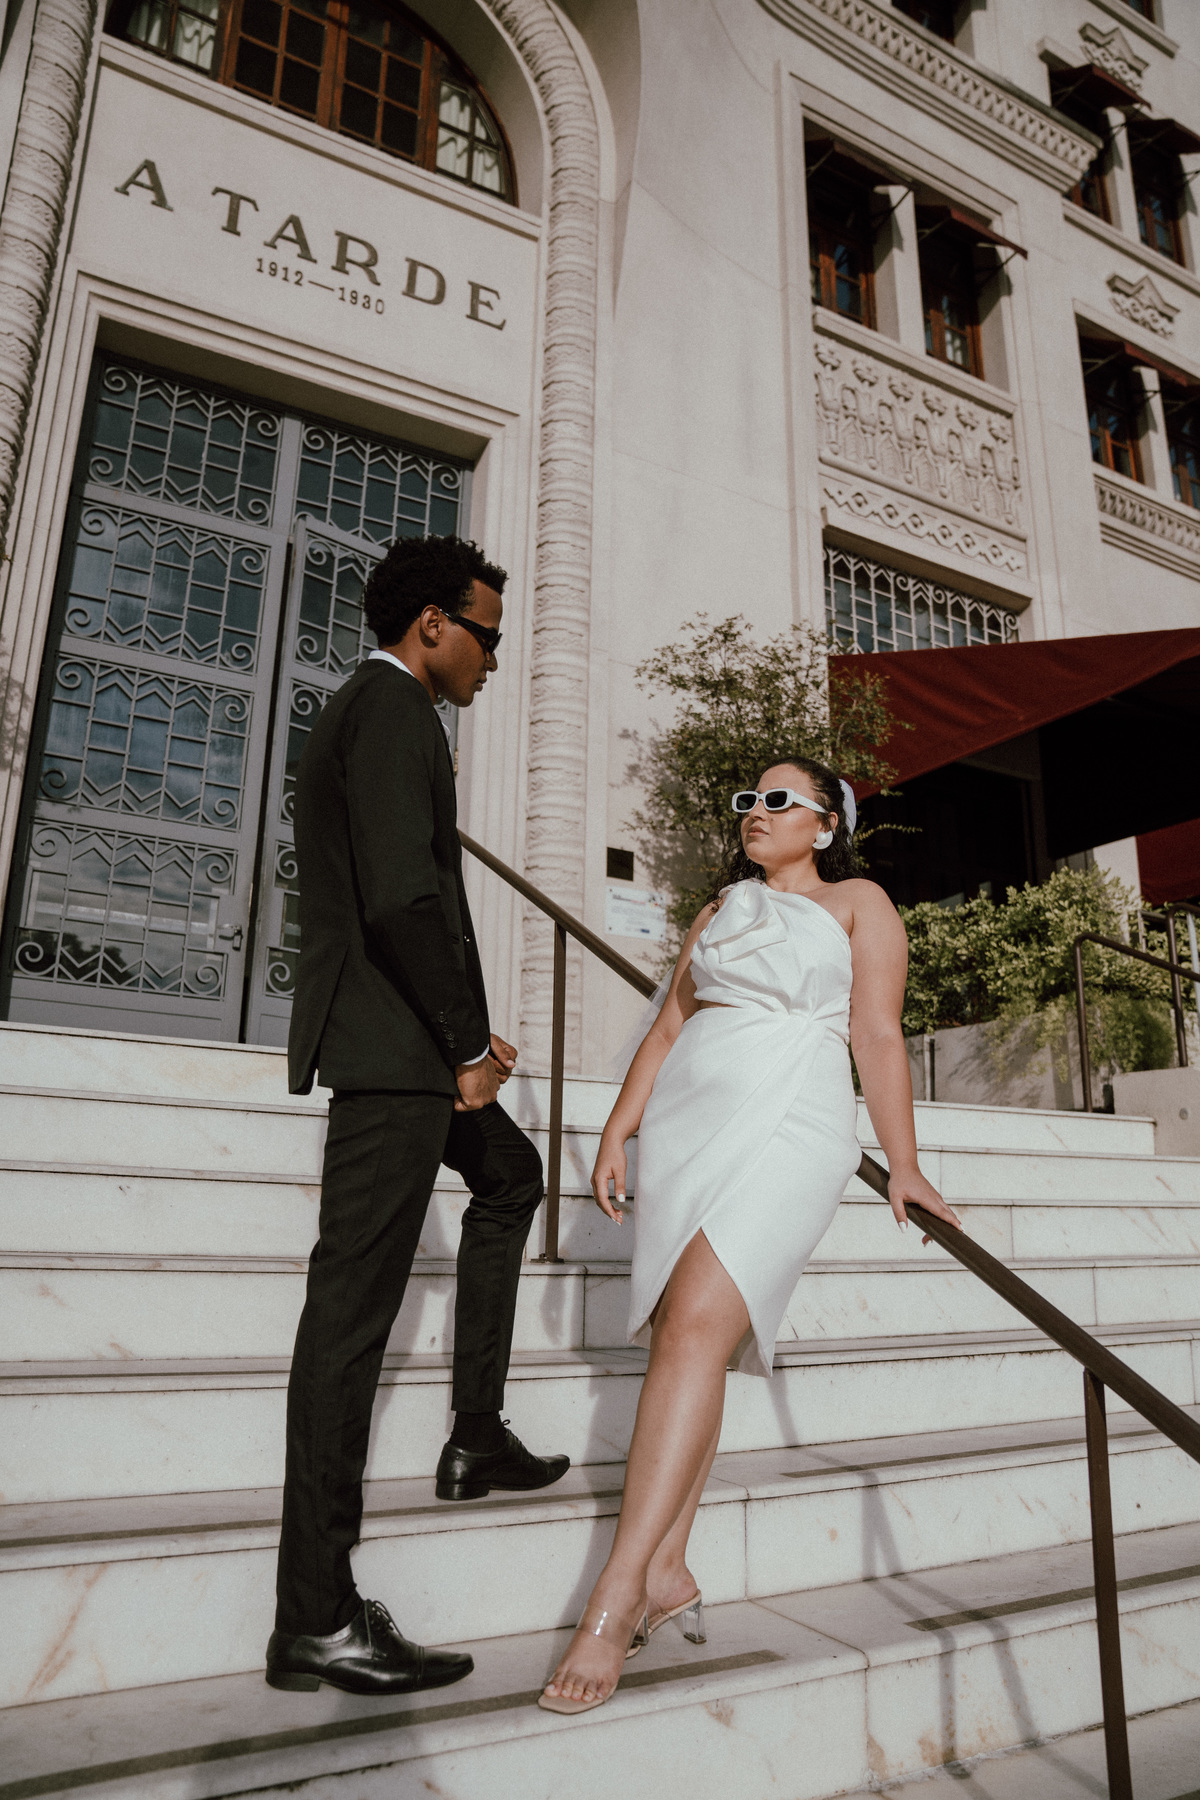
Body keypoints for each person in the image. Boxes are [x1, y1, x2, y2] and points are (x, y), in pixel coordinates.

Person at [539, 755, 963, 1713]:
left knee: (693, 1327)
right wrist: (617, 1129)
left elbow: (877, 1034)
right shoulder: (720, 909)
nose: (755, 813)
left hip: (792, 1121)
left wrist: (902, 1159)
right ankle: (668, 1568)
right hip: (689, 1121)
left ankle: (615, 1593)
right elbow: (668, 1026)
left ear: (825, 823)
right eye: (748, 800)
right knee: (689, 1336)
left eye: (778, 800)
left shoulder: (860, 903)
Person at [267, 534, 569, 1698]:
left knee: (511, 1175)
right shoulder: (392, 709)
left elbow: (410, 898)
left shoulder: (383, 712)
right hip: (394, 1060)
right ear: (432, 626)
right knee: (348, 1320)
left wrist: (467, 1029)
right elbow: (402, 897)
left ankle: (475, 1433)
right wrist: (461, 1047)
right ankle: (317, 1615)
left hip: (411, 1043)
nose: (494, 656)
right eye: (486, 634)